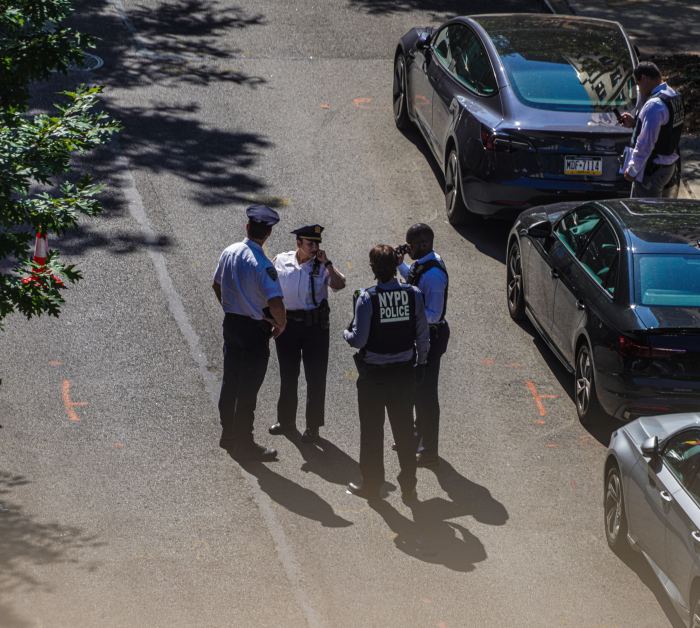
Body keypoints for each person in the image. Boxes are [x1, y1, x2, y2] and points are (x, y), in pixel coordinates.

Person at [344, 245, 429, 503]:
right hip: (403, 375)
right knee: (404, 432)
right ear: (395, 266)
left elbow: (359, 340)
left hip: (373, 377)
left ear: (373, 269)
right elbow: (422, 336)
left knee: (371, 432)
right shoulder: (413, 294)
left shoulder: (367, 298)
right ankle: (409, 487)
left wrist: (345, 333)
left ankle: (372, 485)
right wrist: (421, 364)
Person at [213, 205, 287, 461]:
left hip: (232, 324)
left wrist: (231, 306)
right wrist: (281, 323)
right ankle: (245, 442)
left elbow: (217, 284)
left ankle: (228, 435)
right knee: (248, 389)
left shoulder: (229, 251)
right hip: (254, 330)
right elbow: (275, 302)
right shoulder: (263, 264)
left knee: (230, 382)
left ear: (247, 227)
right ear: (267, 234)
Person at [269, 224, 346, 443]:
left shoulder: (322, 266)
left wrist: (328, 264)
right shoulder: (281, 260)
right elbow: (268, 287)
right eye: (310, 243)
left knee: (315, 378)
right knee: (288, 375)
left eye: (317, 243)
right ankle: (285, 421)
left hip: (315, 328)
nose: (315, 247)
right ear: (298, 243)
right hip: (288, 325)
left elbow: (340, 285)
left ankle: (313, 427)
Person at [397, 223, 449, 468]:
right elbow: (412, 278)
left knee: (427, 394)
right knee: (417, 390)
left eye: (410, 246)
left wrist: (408, 310)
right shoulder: (423, 263)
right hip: (420, 334)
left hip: (431, 336)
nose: (408, 250)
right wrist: (399, 263)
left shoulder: (435, 275)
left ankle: (429, 451)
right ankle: (417, 436)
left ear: (424, 245)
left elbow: (434, 313)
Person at [621, 61, 684, 198]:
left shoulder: (654, 105)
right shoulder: (673, 95)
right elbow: (665, 129)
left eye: (638, 84)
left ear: (643, 78)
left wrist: (632, 170)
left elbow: (645, 144)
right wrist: (635, 123)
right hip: (669, 167)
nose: (640, 89)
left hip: (652, 171)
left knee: (642, 215)